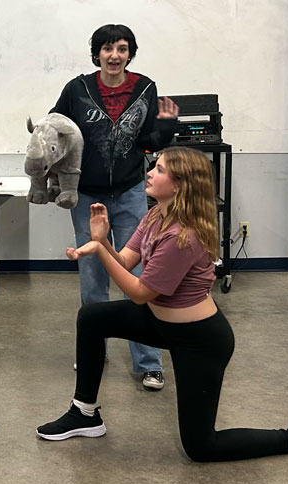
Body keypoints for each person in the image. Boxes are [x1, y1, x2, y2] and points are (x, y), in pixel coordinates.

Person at [36, 147, 288, 462]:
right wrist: (103, 240)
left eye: (160, 170)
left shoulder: (183, 236)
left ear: (180, 185)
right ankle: (84, 414)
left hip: (199, 341)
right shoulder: (155, 216)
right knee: (92, 317)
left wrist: (99, 250)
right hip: (158, 323)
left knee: (201, 447)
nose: (150, 173)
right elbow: (124, 261)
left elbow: (139, 293)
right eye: (154, 167)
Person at [51, 24, 179, 390]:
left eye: (122, 48)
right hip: (86, 196)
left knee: (139, 277)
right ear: (97, 54)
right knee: (93, 276)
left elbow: (149, 143)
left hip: (129, 192)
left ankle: (149, 362)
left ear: (129, 54)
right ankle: (94, 349)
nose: (114, 55)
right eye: (107, 48)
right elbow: (55, 126)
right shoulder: (77, 89)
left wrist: (166, 127)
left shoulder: (145, 89)